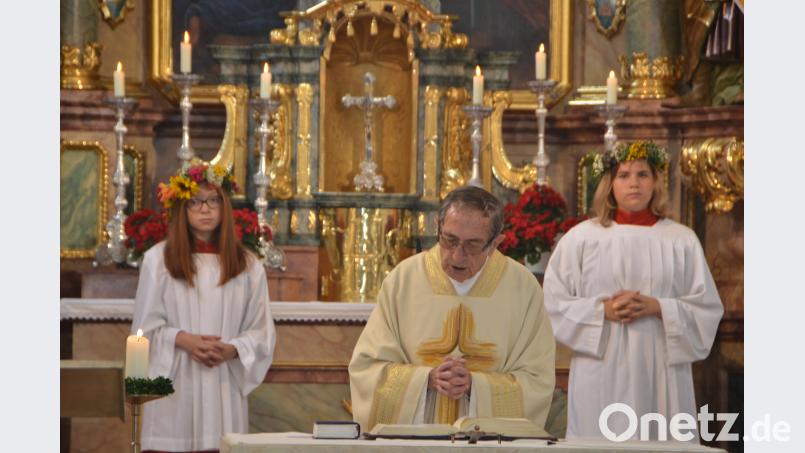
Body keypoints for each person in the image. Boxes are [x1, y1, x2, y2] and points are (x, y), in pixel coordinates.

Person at [543, 141, 724, 440]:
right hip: (601, 362)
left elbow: (706, 308)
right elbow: (553, 302)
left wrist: (658, 307)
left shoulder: (681, 240)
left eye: (643, 174)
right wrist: (603, 310)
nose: (634, 183)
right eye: (624, 175)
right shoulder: (581, 239)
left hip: (660, 362)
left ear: (656, 183)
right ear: (610, 184)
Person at [349, 186, 555, 432]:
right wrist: (425, 380)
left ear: (495, 243)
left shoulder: (522, 288)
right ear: (438, 227)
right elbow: (367, 369)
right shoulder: (404, 280)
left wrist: (475, 386)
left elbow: (537, 380)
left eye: (473, 245)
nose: (457, 256)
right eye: (449, 240)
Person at [132, 162, 276, 452]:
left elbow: (261, 331)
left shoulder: (248, 265)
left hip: (223, 381)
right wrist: (182, 339)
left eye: (213, 200)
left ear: (224, 207)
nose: (205, 209)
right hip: (174, 386)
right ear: (182, 210)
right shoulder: (157, 260)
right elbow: (142, 332)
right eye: (195, 202)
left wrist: (233, 348)